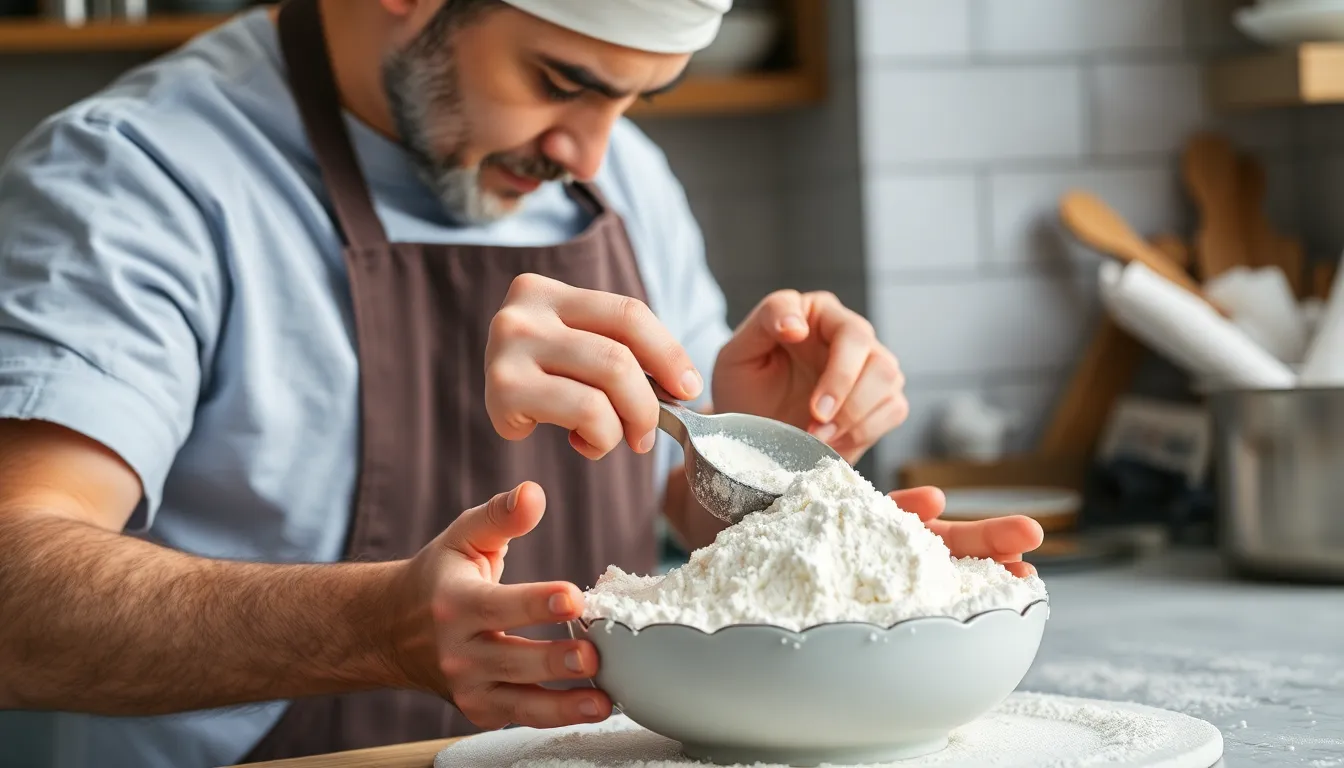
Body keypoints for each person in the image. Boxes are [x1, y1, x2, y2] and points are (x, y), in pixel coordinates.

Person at [0, 0, 1045, 766]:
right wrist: (373, 628)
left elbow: (680, 515)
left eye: (636, 98)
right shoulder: (139, 179)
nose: (590, 149)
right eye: (562, 81)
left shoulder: (618, 177)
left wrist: (760, 469)